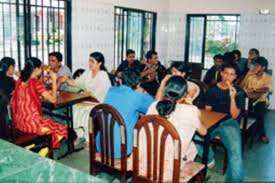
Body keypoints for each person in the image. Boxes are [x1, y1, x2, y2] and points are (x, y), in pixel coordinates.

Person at [136, 76, 207, 181]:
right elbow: (204, 132)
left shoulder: (154, 105)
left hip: (144, 163)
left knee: (190, 147)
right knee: (191, 148)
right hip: (168, 171)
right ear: (184, 95)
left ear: (165, 91)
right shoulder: (191, 111)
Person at [199, 63, 245, 182]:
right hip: (213, 120)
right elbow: (207, 111)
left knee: (235, 152)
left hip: (229, 122)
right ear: (221, 73)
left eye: (231, 75)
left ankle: (234, 180)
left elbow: (235, 115)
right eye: (225, 73)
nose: (227, 77)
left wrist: (232, 98)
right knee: (193, 138)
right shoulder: (212, 89)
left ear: (235, 77)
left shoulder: (239, 92)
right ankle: (209, 158)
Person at [10, 57, 68, 149]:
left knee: (49, 120)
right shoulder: (35, 83)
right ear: (36, 69)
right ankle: (43, 149)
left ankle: (37, 146)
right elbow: (53, 100)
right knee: (62, 128)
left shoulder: (20, 81)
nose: (42, 69)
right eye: (41, 67)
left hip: (20, 122)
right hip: (33, 124)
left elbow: (34, 90)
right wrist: (54, 80)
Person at [97, 70, 155, 158]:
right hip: (122, 148)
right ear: (138, 84)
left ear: (121, 80)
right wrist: (143, 92)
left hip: (101, 144)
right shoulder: (137, 96)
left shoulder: (111, 90)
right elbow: (154, 106)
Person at [63, 52, 111, 142]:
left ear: (99, 63)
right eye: (89, 61)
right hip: (88, 100)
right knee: (73, 108)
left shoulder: (103, 75)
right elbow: (76, 83)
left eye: (92, 61)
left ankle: (88, 139)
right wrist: (67, 80)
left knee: (86, 112)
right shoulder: (87, 73)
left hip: (99, 102)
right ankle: (79, 134)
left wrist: (86, 94)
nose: (89, 63)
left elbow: (99, 95)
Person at [240, 57, 272, 144]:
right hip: (248, 98)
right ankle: (244, 131)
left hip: (260, 99)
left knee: (259, 112)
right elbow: (240, 87)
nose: (254, 67)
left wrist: (254, 90)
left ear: (263, 67)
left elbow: (265, 89)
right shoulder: (250, 75)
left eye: (257, 65)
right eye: (254, 65)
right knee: (241, 111)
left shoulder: (267, 77)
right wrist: (247, 74)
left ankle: (262, 135)